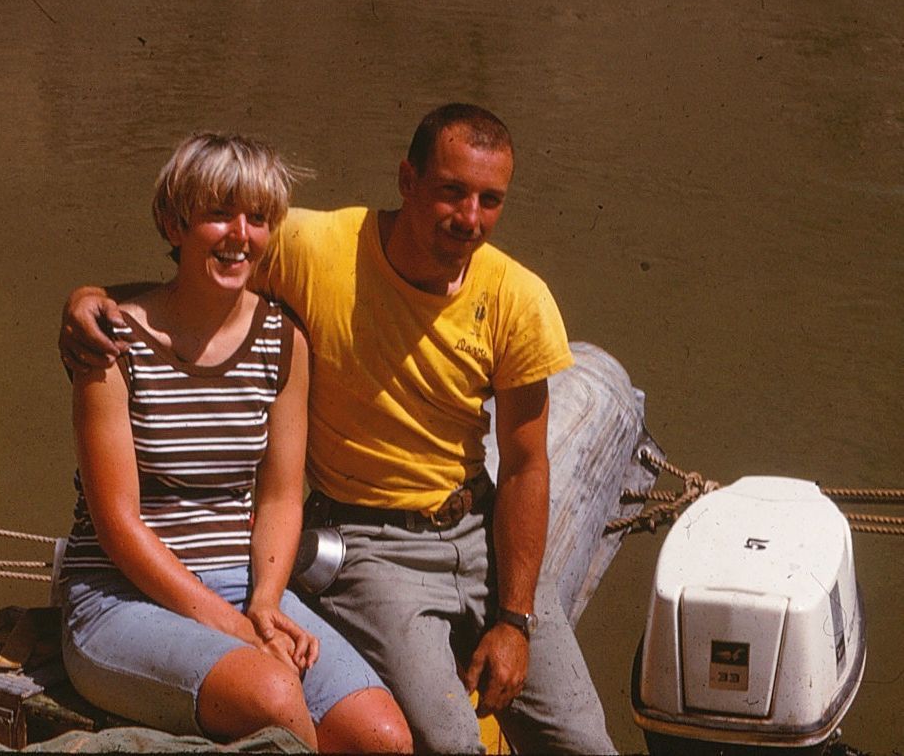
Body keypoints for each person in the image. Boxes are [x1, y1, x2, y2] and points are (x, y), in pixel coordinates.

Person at [60, 106, 616, 755]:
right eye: (449, 191)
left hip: (462, 531)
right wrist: (84, 297)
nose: (468, 218)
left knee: (564, 742)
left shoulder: (513, 299)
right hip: (359, 548)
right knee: (428, 737)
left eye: (488, 200)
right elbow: (191, 286)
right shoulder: (306, 253)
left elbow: (524, 465)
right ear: (407, 180)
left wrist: (514, 620)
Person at [56, 132, 412, 753]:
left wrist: (267, 606)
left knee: (382, 738)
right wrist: (236, 630)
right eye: (219, 214)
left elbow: (279, 499)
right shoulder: (110, 341)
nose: (240, 235)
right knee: (273, 698)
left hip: (243, 587)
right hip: (121, 598)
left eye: (258, 219)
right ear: (174, 224)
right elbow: (117, 523)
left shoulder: (283, 342)